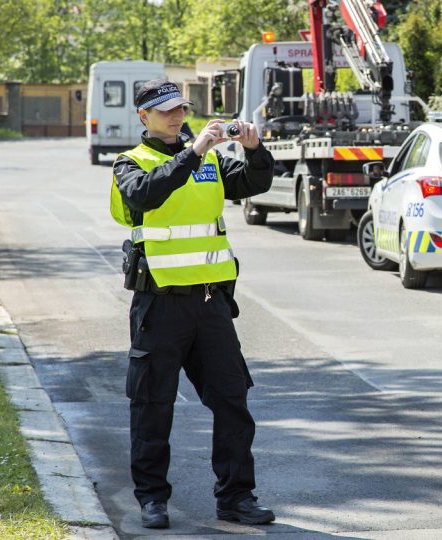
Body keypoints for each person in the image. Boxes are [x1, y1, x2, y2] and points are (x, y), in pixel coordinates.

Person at [109, 79, 275, 529]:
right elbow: (147, 194)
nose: (177, 116)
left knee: (232, 401)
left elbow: (252, 183)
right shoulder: (130, 163)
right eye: (166, 111)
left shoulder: (209, 160)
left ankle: (237, 498)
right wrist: (193, 151)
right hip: (159, 306)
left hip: (210, 303)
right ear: (143, 117)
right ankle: (152, 499)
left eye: (181, 108)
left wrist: (255, 149)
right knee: (152, 404)